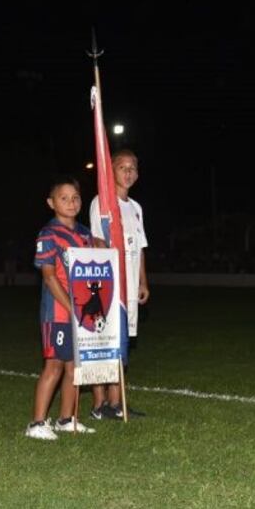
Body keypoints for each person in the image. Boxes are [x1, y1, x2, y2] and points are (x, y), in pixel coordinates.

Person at [25, 177, 97, 440]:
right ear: (51, 202)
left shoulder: (85, 235)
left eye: (75, 197)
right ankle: (36, 424)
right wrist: (72, 308)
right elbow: (49, 276)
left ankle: (66, 419)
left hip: (81, 312)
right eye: (64, 198)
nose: (71, 202)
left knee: (74, 367)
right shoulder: (48, 234)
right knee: (54, 366)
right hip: (57, 312)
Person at [88, 150, 149, 419]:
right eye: (122, 167)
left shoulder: (136, 208)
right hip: (111, 286)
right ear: (110, 170)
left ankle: (116, 403)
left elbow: (141, 248)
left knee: (121, 344)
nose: (128, 172)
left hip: (130, 287)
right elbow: (97, 242)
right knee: (105, 342)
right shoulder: (102, 202)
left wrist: (142, 282)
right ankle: (100, 404)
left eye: (133, 167)